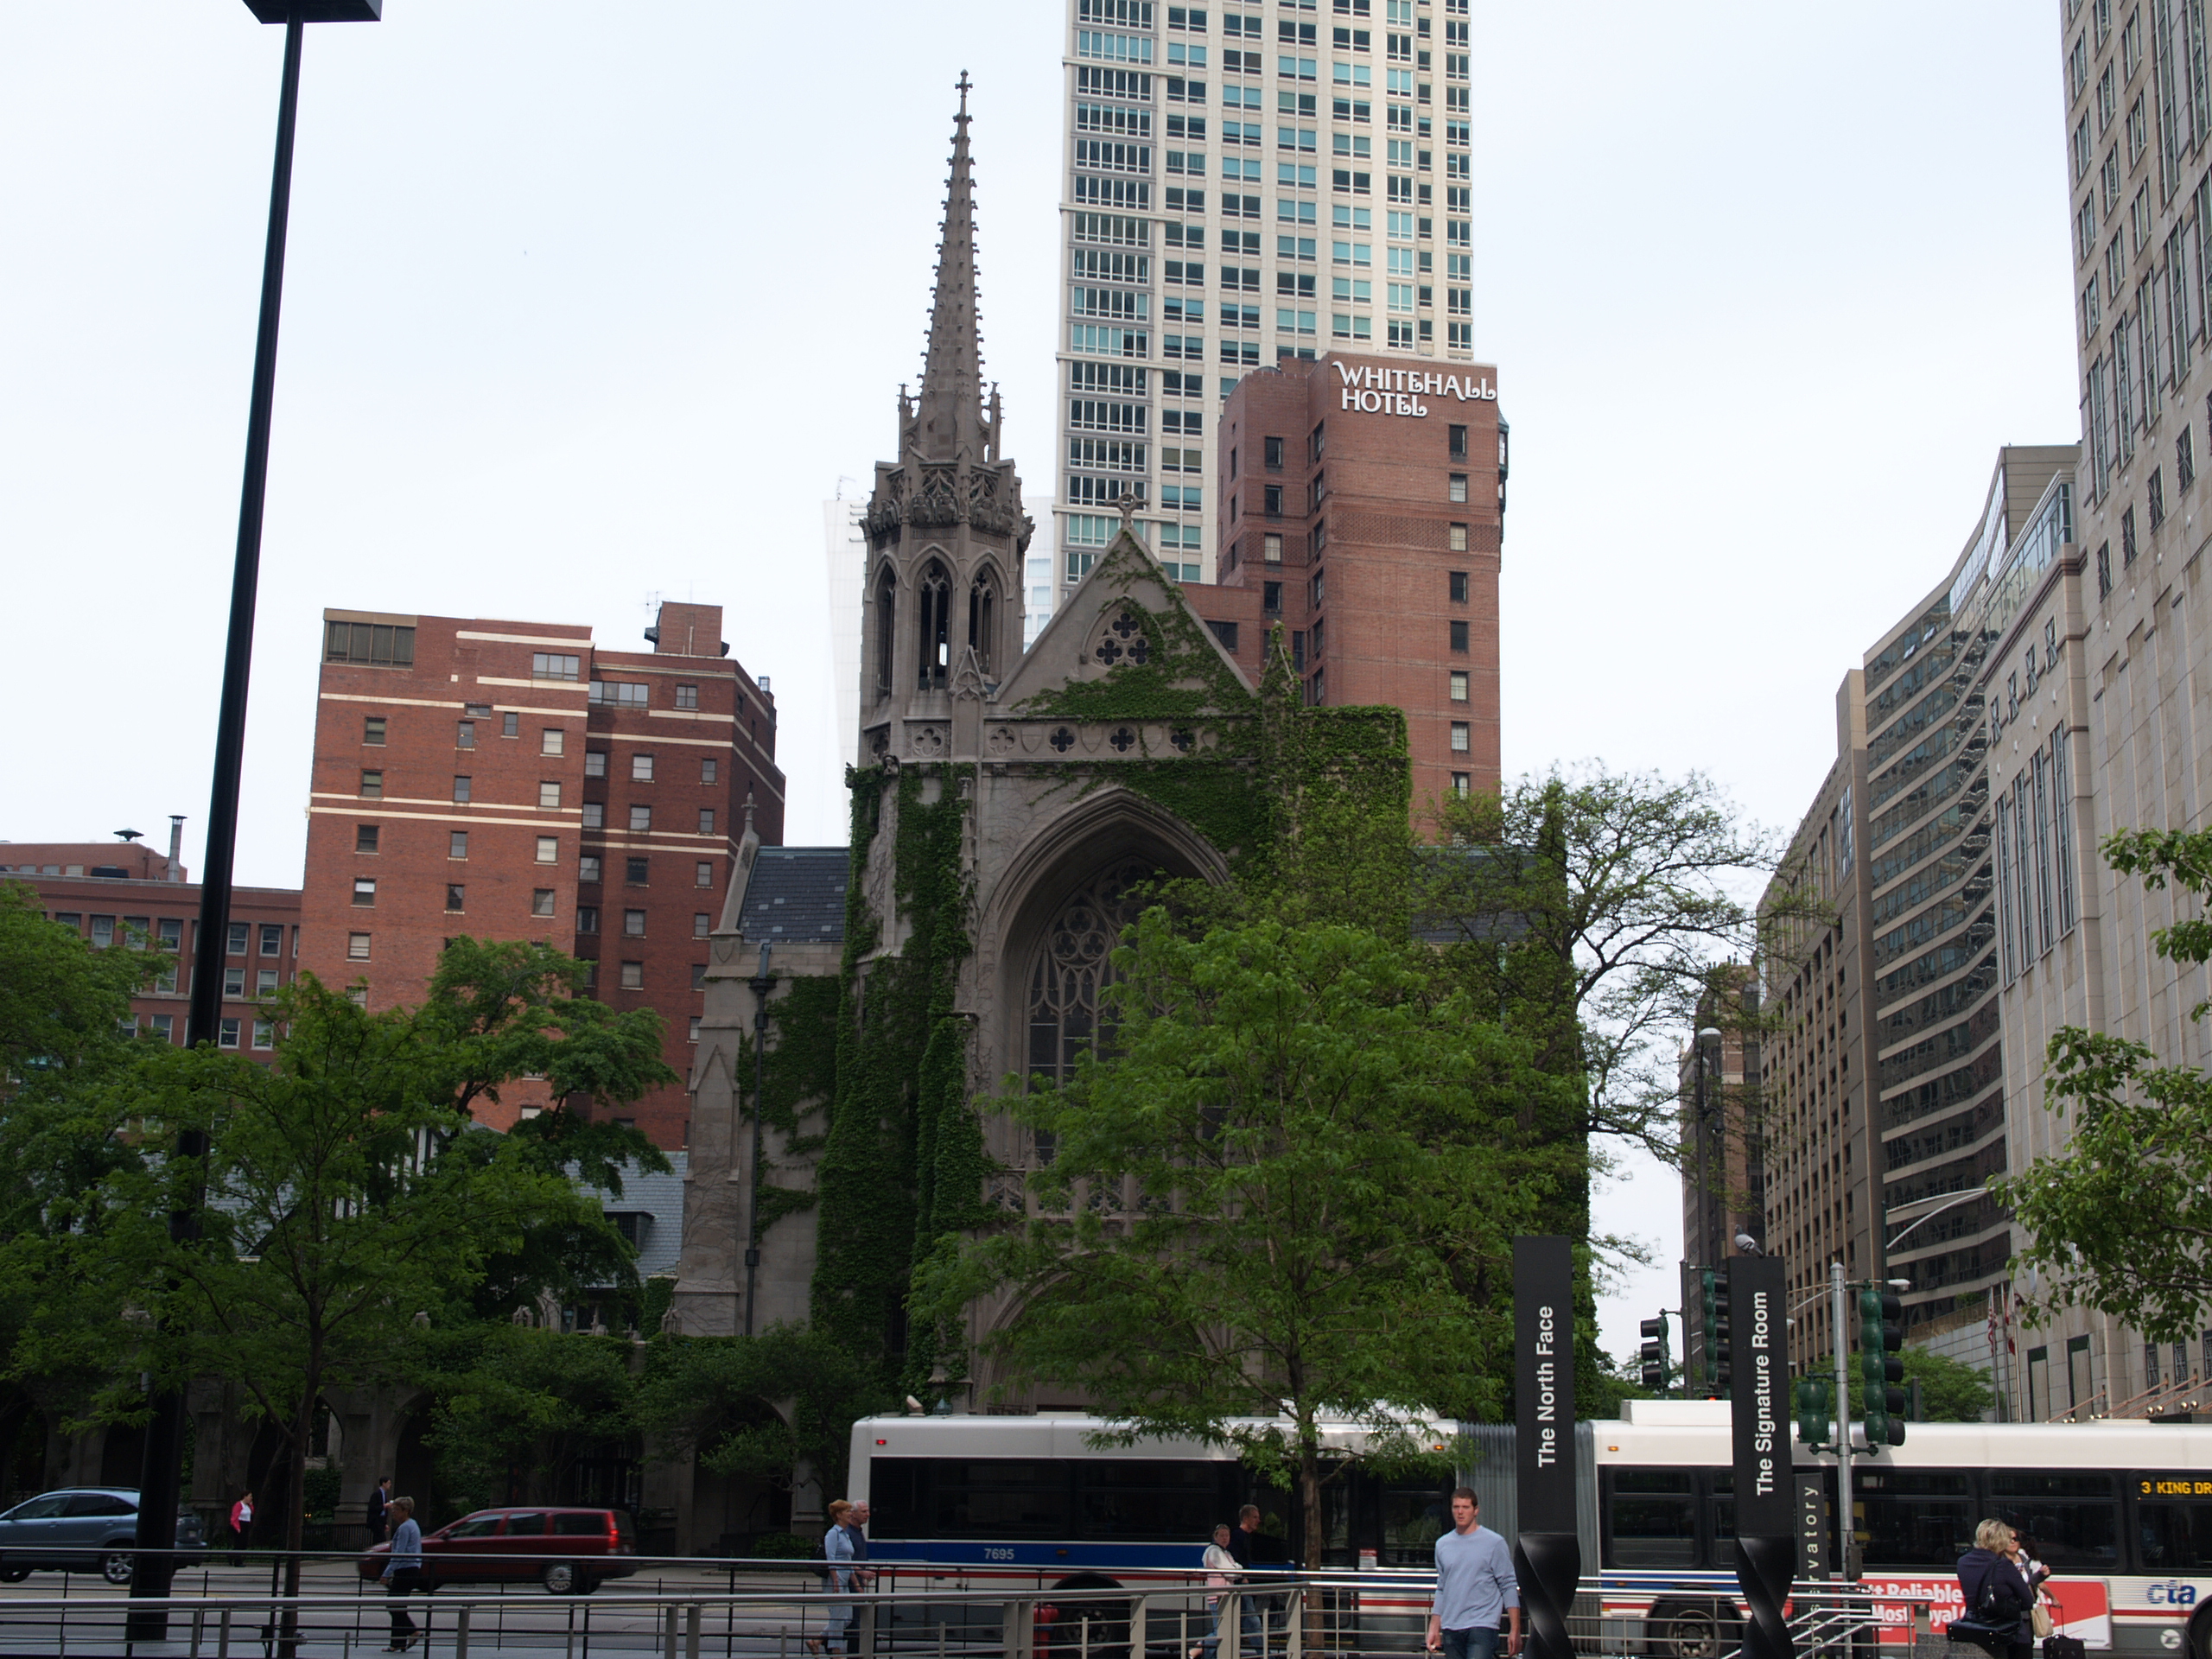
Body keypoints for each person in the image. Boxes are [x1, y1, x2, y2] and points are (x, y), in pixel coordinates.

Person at [1425, 1488, 1522, 1659]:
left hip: (1482, 1624)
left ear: (1476, 1510)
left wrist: (1515, 1629)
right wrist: (1434, 1626)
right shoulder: (1443, 1545)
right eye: (1456, 1507)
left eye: (1465, 1507)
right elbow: (1442, 1587)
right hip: (1451, 1625)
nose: (1460, 1512)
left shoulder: (1494, 1543)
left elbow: (1508, 1584)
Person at [1956, 1518, 2035, 1659]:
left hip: (1974, 1629)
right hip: (2007, 1634)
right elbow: (2028, 1601)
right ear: (2001, 1540)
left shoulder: (1963, 1562)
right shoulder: (2003, 1565)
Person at [380, 1496, 429, 1654]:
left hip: (405, 1569)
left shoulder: (405, 1528)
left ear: (406, 1511)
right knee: (398, 1605)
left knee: (393, 1604)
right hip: (411, 1568)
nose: (394, 1512)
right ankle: (398, 1642)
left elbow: (399, 1553)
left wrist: (387, 1573)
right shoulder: (412, 1525)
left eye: (397, 1510)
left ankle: (413, 1632)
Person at [814, 1500, 858, 1656]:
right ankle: (836, 1651)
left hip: (844, 1581)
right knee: (838, 1617)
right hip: (835, 1581)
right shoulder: (833, 1534)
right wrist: (835, 1581)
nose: (851, 1514)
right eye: (848, 1511)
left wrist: (856, 1583)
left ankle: (817, 1641)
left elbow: (848, 1561)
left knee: (847, 1619)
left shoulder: (845, 1534)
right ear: (839, 1515)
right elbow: (830, 1558)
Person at [1226, 1504, 1270, 1655]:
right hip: (1240, 1586)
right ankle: (1265, 1655)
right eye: (1255, 1517)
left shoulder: (1245, 1536)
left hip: (1242, 1586)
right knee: (1252, 1621)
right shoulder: (1238, 1536)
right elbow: (1234, 1558)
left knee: (1240, 1623)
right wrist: (1243, 1577)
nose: (1258, 1520)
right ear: (1246, 1519)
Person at [1192, 1523, 1239, 1659]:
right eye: (1222, 1535)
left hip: (1225, 1596)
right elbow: (1232, 1573)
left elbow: (1236, 1569)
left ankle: (1208, 1655)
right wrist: (1236, 1568)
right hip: (1218, 1597)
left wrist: (1236, 1569)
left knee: (1222, 1630)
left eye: (1227, 1535)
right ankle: (1198, 1648)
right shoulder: (1214, 1551)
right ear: (1215, 1537)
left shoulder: (1226, 1553)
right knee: (1221, 1631)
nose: (1225, 1538)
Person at [840, 1502, 874, 1654]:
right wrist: (861, 1573)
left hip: (856, 1582)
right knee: (852, 1621)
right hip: (850, 1583)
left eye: (867, 1511)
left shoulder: (858, 1532)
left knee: (854, 1621)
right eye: (864, 1511)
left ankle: (826, 1643)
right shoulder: (848, 1533)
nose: (868, 1514)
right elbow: (847, 1560)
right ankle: (823, 1641)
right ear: (853, 1514)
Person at [228, 1490, 254, 1566]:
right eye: (250, 1496)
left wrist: (251, 1506)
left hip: (246, 1525)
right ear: (245, 1497)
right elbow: (234, 1517)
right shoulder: (239, 1505)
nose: (251, 1498)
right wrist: (237, 1527)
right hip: (240, 1525)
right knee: (239, 1543)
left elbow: (251, 1513)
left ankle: (232, 1556)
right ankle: (237, 1561)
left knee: (244, 1543)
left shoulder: (248, 1506)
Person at [367, 1477, 391, 1545]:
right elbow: (372, 1507)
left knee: (379, 1539)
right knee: (380, 1539)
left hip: (381, 1520)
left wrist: (385, 1523)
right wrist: (384, 1506)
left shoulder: (384, 1494)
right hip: (376, 1520)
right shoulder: (376, 1494)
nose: (390, 1485)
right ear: (384, 1483)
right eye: (388, 1483)